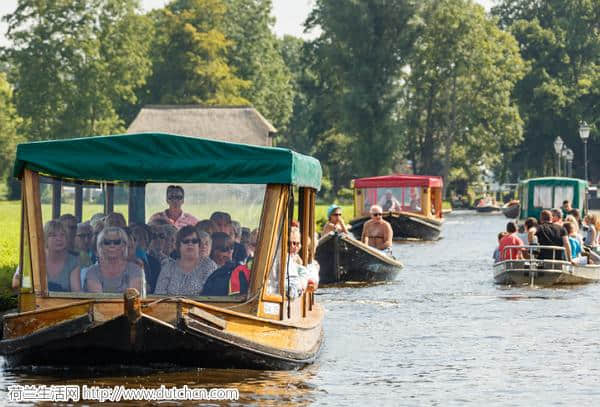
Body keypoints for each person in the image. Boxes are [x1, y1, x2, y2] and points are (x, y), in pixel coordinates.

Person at [154, 226, 217, 296]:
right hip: (170, 306)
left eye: (194, 241)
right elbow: (159, 295)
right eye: (186, 241)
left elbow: (212, 296)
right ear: (178, 245)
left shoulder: (208, 265)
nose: (190, 244)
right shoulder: (168, 267)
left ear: (199, 244)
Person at [83, 226, 144, 293]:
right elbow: (98, 299)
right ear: (99, 246)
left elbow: (132, 297)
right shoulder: (92, 272)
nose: (112, 245)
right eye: (107, 242)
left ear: (124, 246)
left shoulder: (135, 270)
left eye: (117, 242)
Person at [44, 220, 81, 292]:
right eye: (53, 235)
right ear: (45, 239)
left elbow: (77, 292)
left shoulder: (73, 261)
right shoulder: (35, 258)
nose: (59, 239)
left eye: (62, 235)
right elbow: (16, 282)